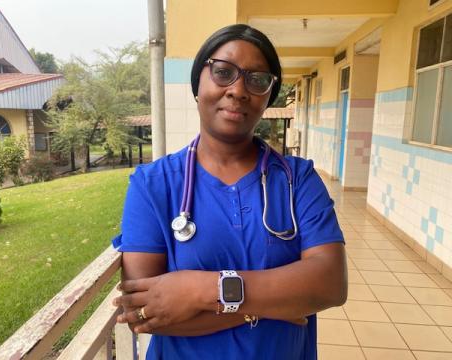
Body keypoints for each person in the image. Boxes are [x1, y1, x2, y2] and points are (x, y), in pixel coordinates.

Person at [112, 24, 347, 360]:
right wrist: (270, 306)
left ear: (269, 95)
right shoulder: (153, 185)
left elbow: (330, 284)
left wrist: (199, 290)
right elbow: (146, 313)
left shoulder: (299, 180)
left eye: (257, 79)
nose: (238, 90)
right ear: (198, 84)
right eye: (223, 72)